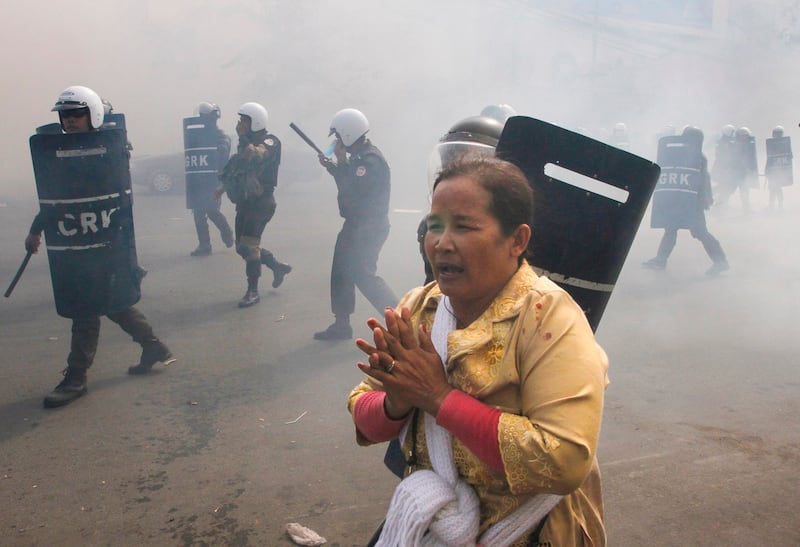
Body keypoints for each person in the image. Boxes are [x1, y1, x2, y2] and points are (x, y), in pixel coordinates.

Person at [348, 156, 609, 546]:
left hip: (529, 532)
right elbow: (364, 414)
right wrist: (396, 402)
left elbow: (565, 460)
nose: (442, 243)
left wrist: (438, 397)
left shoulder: (548, 317)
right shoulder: (420, 308)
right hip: (435, 522)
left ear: (517, 241)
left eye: (464, 227)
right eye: (434, 226)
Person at [25, 85, 174, 409]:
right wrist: (36, 231)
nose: (70, 120)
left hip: (106, 244)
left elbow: (118, 198)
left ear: (92, 114)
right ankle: (153, 346)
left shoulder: (109, 152)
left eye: (77, 114)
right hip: (76, 244)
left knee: (86, 310)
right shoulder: (59, 153)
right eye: (65, 115)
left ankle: (76, 377)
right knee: (114, 304)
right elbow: (57, 201)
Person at [314, 108, 397, 340]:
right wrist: (333, 167)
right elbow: (350, 183)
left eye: (338, 137)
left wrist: (339, 162)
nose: (336, 142)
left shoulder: (368, 161)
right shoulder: (360, 158)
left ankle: (401, 319)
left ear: (348, 135)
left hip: (369, 227)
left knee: (363, 274)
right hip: (356, 226)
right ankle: (342, 324)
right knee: (341, 271)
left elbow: (352, 192)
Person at [216, 102, 292, 308]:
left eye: (244, 121)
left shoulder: (270, 141)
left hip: (261, 203)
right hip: (246, 202)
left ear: (255, 122)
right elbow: (239, 167)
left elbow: (255, 155)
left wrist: (243, 138)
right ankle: (277, 266)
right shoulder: (245, 142)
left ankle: (253, 291)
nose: (240, 124)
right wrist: (222, 188)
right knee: (241, 246)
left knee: (249, 247)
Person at [643, 126, 730, 276]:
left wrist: (704, 201)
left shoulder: (699, 158)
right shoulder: (678, 155)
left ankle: (721, 261)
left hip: (693, 201)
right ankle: (661, 259)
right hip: (679, 199)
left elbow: (703, 181)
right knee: (671, 227)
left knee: (700, 232)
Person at [187, 102, 234, 257]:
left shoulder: (220, 135)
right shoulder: (196, 135)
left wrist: (220, 150)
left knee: (212, 210)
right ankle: (204, 244)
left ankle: (226, 232)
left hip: (214, 180)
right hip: (199, 181)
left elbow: (224, 146)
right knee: (198, 212)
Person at [764, 125, 793, 212]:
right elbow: (769, 158)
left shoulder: (785, 144)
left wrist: (789, 156)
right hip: (772, 171)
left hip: (780, 171)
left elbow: (789, 157)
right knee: (773, 189)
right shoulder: (771, 144)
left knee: (777, 188)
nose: (776, 135)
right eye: (775, 133)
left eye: (778, 133)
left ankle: (779, 205)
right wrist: (767, 169)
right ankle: (773, 205)